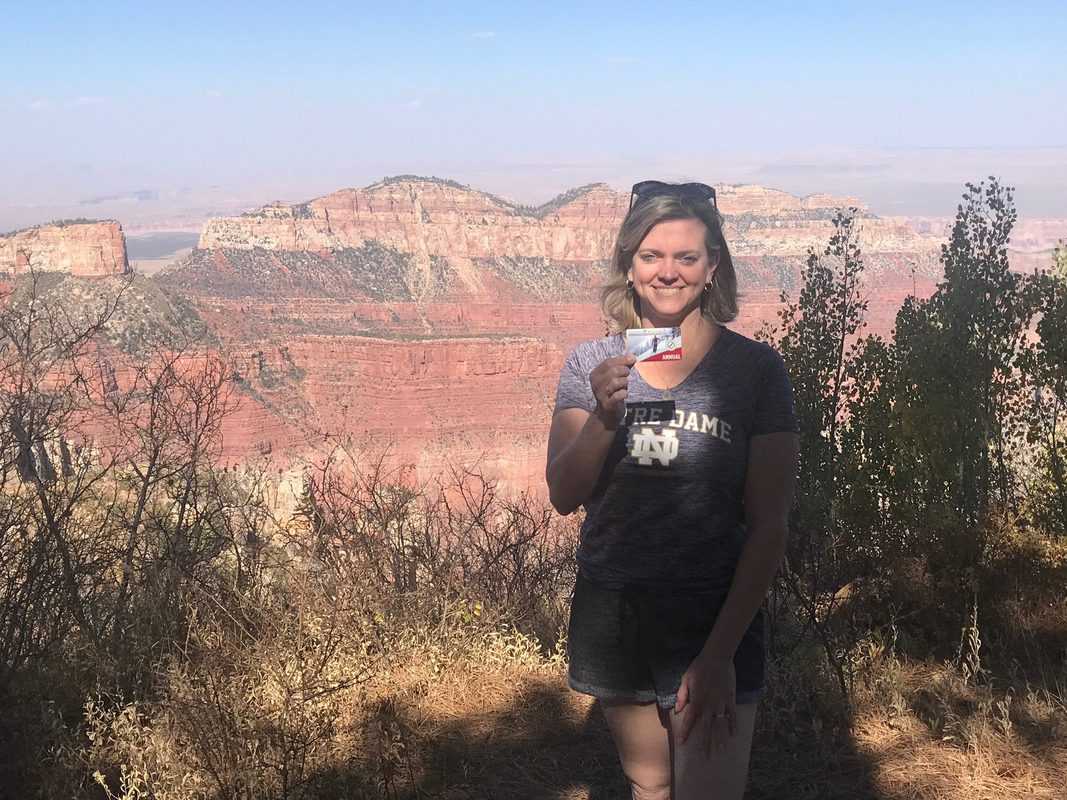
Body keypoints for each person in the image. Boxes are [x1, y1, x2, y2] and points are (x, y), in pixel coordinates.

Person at [545, 180, 800, 799]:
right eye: (651, 256)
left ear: (713, 267)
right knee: (649, 787)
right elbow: (563, 492)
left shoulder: (754, 371)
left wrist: (717, 657)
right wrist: (606, 417)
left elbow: (769, 525)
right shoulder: (592, 364)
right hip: (618, 607)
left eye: (687, 257)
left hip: (713, 609)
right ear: (628, 267)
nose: (668, 273)